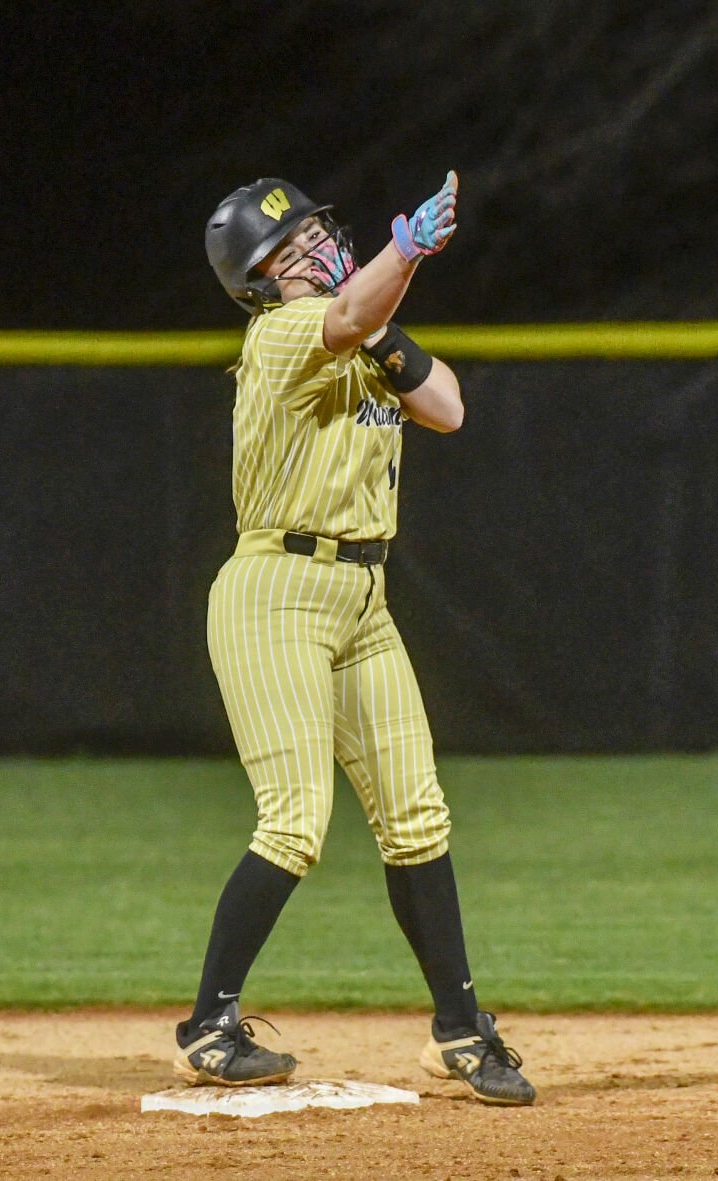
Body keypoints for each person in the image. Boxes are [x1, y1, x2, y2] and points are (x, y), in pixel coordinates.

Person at [174, 172, 535, 1106]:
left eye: (314, 239)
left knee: (418, 815)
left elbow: (448, 406)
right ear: (258, 284)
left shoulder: (358, 331)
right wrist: (406, 253)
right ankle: (208, 1025)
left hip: (363, 597)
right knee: (293, 822)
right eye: (284, 256)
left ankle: (460, 1028)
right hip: (276, 591)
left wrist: (384, 303)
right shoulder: (284, 333)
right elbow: (344, 316)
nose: (312, 256)